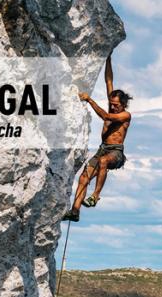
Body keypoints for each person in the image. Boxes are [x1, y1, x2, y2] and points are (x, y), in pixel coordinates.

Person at [62, 53, 132, 223]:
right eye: (112, 104)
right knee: (83, 178)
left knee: (103, 162)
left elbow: (106, 117)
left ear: (123, 104)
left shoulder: (125, 115)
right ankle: (75, 211)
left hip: (115, 153)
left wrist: (90, 100)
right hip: (103, 149)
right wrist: (108, 58)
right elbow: (109, 81)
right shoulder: (113, 105)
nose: (113, 107)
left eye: (116, 105)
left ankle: (95, 196)